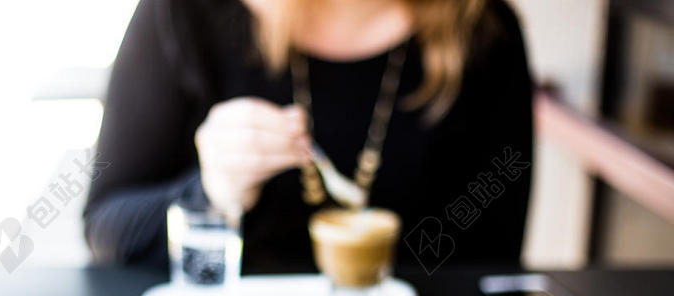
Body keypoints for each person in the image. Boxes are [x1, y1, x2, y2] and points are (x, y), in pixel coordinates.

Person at [84, 0, 532, 273]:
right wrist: (212, 194)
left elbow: (493, 258)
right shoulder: (188, 13)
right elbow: (108, 230)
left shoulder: (486, 33)